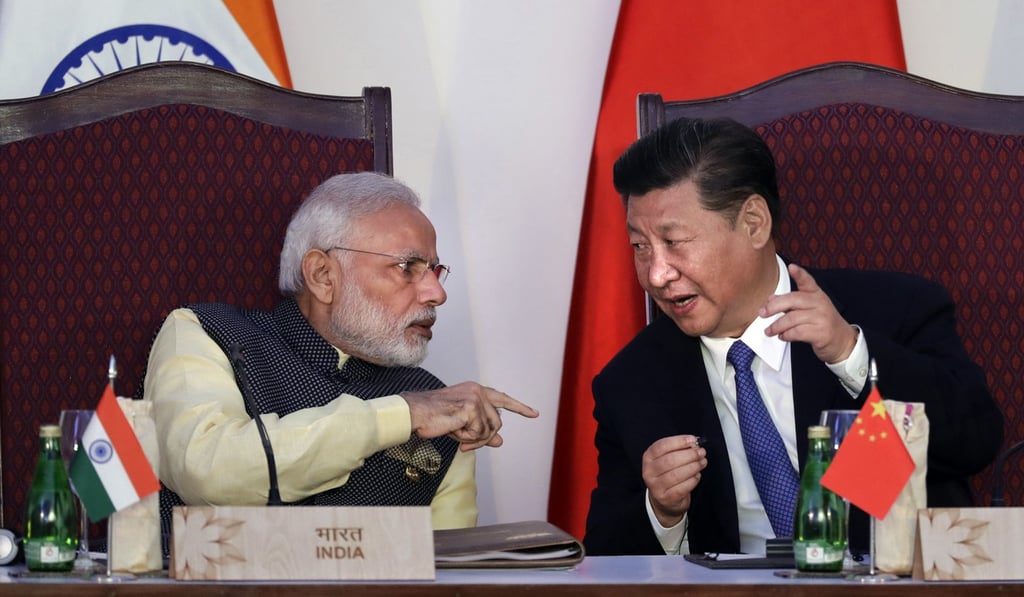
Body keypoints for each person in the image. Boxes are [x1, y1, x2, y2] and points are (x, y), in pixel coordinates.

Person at [583, 117, 1003, 557]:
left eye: (674, 241)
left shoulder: (894, 311)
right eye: (640, 246)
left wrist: (851, 355)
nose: (657, 274)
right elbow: (605, 561)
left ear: (753, 223)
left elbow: (975, 443)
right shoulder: (631, 383)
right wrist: (662, 511)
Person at [142, 172, 539, 539]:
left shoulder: (440, 406)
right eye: (408, 267)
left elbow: (448, 575)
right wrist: (402, 415)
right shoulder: (206, 332)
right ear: (323, 276)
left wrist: (417, 407)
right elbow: (209, 472)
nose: (437, 294)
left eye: (435, 270)